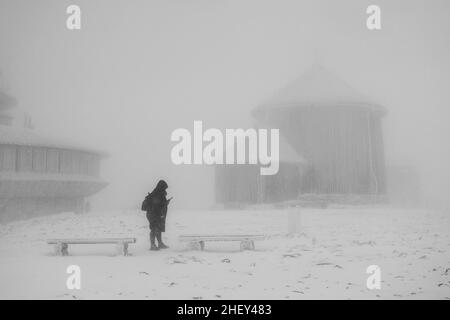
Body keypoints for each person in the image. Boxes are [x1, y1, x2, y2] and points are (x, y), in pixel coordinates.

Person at [144, 180, 172, 250]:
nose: (165, 189)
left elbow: (160, 204)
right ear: (161, 187)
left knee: (158, 228)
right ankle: (152, 245)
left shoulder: (159, 193)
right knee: (154, 228)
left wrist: (166, 203)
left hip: (156, 214)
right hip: (153, 214)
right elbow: (157, 206)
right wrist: (165, 204)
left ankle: (160, 243)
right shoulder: (157, 194)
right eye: (164, 188)